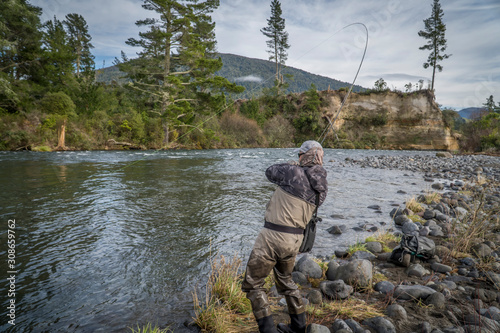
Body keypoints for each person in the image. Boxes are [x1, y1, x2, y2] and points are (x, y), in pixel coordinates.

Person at [242, 140, 328, 333]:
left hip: (272, 236)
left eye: (299, 155)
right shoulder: (322, 186)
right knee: (286, 282)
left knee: (253, 284)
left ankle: (268, 331)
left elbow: (270, 171)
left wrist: (293, 165)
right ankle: (298, 327)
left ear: (303, 156)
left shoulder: (293, 172)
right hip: (294, 241)